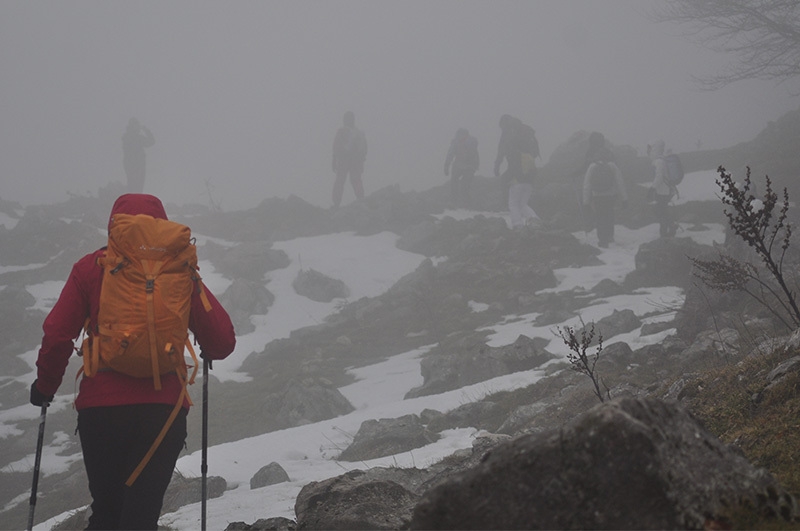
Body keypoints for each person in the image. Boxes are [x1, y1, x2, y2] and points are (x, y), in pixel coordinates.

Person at [30, 193, 236, 530]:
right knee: (141, 517)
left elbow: (56, 334)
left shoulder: (92, 267)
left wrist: (44, 386)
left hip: (101, 412)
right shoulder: (180, 269)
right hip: (163, 412)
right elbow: (223, 341)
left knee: (108, 512)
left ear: (114, 225)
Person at [494, 114, 541, 229]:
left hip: (516, 171)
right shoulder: (524, 130)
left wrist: (497, 166)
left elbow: (502, 150)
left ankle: (517, 224)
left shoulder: (508, 133)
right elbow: (534, 153)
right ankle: (534, 219)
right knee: (522, 203)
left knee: (513, 203)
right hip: (529, 171)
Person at [582, 147, 627, 248]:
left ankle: (602, 239)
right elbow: (620, 182)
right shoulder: (612, 166)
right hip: (610, 196)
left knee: (600, 217)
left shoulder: (592, 166)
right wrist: (624, 198)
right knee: (609, 215)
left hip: (597, 196)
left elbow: (587, 185)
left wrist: (586, 202)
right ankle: (610, 236)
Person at [331, 111, 367, 208]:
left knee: (340, 181)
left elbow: (336, 146)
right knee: (356, 180)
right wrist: (361, 162)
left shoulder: (341, 131)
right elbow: (364, 149)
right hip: (356, 161)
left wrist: (334, 160)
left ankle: (336, 204)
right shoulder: (359, 133)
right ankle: (361, 199)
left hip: (343, 160)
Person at [647, 139, 677, 238]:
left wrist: (652, 188)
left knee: (661, 211)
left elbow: (659, 176)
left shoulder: (659, 161)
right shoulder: (662, 160)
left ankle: (666, 232)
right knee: (662, 210)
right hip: (666, 190)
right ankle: (669, 228)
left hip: (663, 191)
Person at [444, 128, 479, 208]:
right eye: (459, 135)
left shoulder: (472, 142)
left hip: (469, 166)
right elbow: (450, 154)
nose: (460, 136)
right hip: (459, 165)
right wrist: (446, 166)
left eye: (462, 135)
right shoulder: (456, 142)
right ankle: (454, 202)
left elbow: (474, 156)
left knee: (464, 185)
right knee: (454, 183)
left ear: (466, 135)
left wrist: (473, 167)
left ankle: (467, 204)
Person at [122, 118, 155, 194]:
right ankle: (136, 200)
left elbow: (151, 142)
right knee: (137, 184)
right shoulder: (135, 137)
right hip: (136, 164)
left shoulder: (128, 137)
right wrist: (146, 130)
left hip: (133, 164)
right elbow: (151, 141)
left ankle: (134, 199)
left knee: (134, 184)